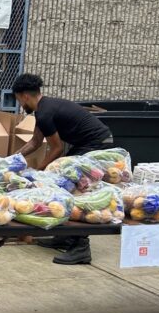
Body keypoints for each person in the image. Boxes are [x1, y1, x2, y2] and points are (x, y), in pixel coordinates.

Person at [13, 72, 113, 265]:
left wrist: (40, 171)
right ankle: (65, 236)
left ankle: (81, 247)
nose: (20, 104)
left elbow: (57, 149)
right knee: (63, 183)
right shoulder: (44, 109)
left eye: (18, 99)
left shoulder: (45, 112)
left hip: (97, 144)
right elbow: (35, 142)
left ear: (24, 95)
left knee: (73, 189)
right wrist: (13, 159)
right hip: (89, 143)